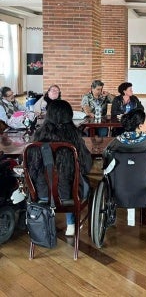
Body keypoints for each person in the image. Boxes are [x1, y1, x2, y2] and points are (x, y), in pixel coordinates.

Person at [27, 99, 92, 236]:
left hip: (41, 194)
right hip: (69, 195)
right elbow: (87, 166)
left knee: (56, 179)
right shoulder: (74, 137)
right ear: (69, 115)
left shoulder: (38, 137)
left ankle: (44, 222)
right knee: (69, 180)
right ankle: (71, 224)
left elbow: (31, 167)